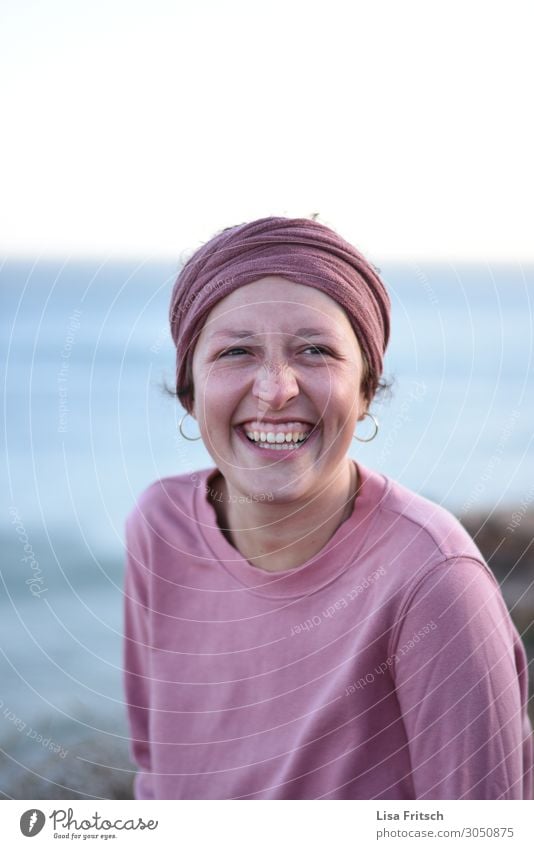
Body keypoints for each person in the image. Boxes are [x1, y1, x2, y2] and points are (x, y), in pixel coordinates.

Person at [122, 215, 533, 800]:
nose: (276, 389)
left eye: (315, 350)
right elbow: (155, 773)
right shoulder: (158, 525)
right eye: (236, 351)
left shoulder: (435, 583)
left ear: (366, 390)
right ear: (189, 389)